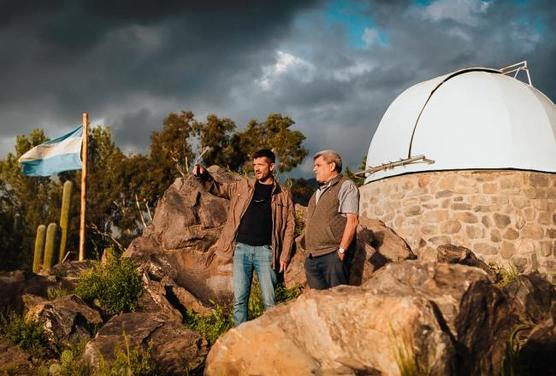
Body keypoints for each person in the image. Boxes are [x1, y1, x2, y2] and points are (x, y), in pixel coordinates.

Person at [193, 149, 295, 325]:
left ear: (272, 166)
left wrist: (284, 255)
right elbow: (218, 188)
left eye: (260, 164)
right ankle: (239, 341)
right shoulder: (243, 186)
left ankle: (272, 340)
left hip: (266, 252)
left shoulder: (283, 194)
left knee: (270, 302)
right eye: (254, 165)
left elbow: (289, 226)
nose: (256, 168)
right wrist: (204, 175)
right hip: (242, 250)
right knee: (240, 301)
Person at [303, 149, 359, 289]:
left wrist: (341, 251)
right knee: (319, 306)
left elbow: (352, 222)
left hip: (332, 256)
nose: (314, 169)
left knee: (338, 302)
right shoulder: (316, 193)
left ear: (332, 166)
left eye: (318, 165)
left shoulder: (346, 186)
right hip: (312, 258)